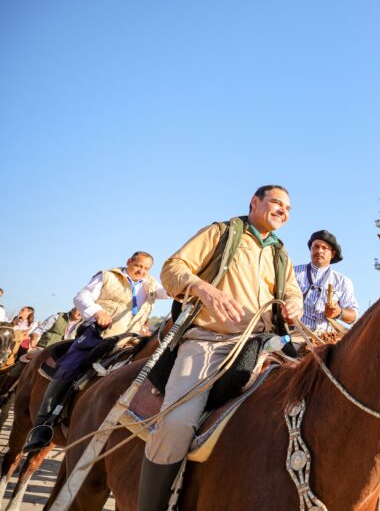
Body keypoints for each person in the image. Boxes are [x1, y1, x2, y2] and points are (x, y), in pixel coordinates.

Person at [141, 185, 304, 511]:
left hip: (266, 344)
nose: (283, 211)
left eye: (288, 208)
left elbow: (292, 292)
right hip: (209, 341)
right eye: (277, 203)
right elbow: (172, 269)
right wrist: (203, 289)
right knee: (176, 424)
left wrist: (294, 305)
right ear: (255, 202)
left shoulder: (281, 254)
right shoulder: (221, 233)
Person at [23, 252, 169, 453]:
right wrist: (96, 311)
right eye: (138, 266)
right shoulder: (107, 276)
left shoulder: (150, 284)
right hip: (99, 335)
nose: (141, 271)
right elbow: (81, 296)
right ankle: (43, 424)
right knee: (69, 367)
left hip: (130, 341)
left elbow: (170, 291)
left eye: (146, 268)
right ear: (129, 262)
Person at [293, 230, 358, 331]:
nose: (319, 251)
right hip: (294, 333)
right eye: (316, 246)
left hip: (326, 337)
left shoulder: (343, 281)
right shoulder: (292, 272)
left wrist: (339, 312)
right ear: (311, 249)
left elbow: (353, 317)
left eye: (324, 248)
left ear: (333, 254)